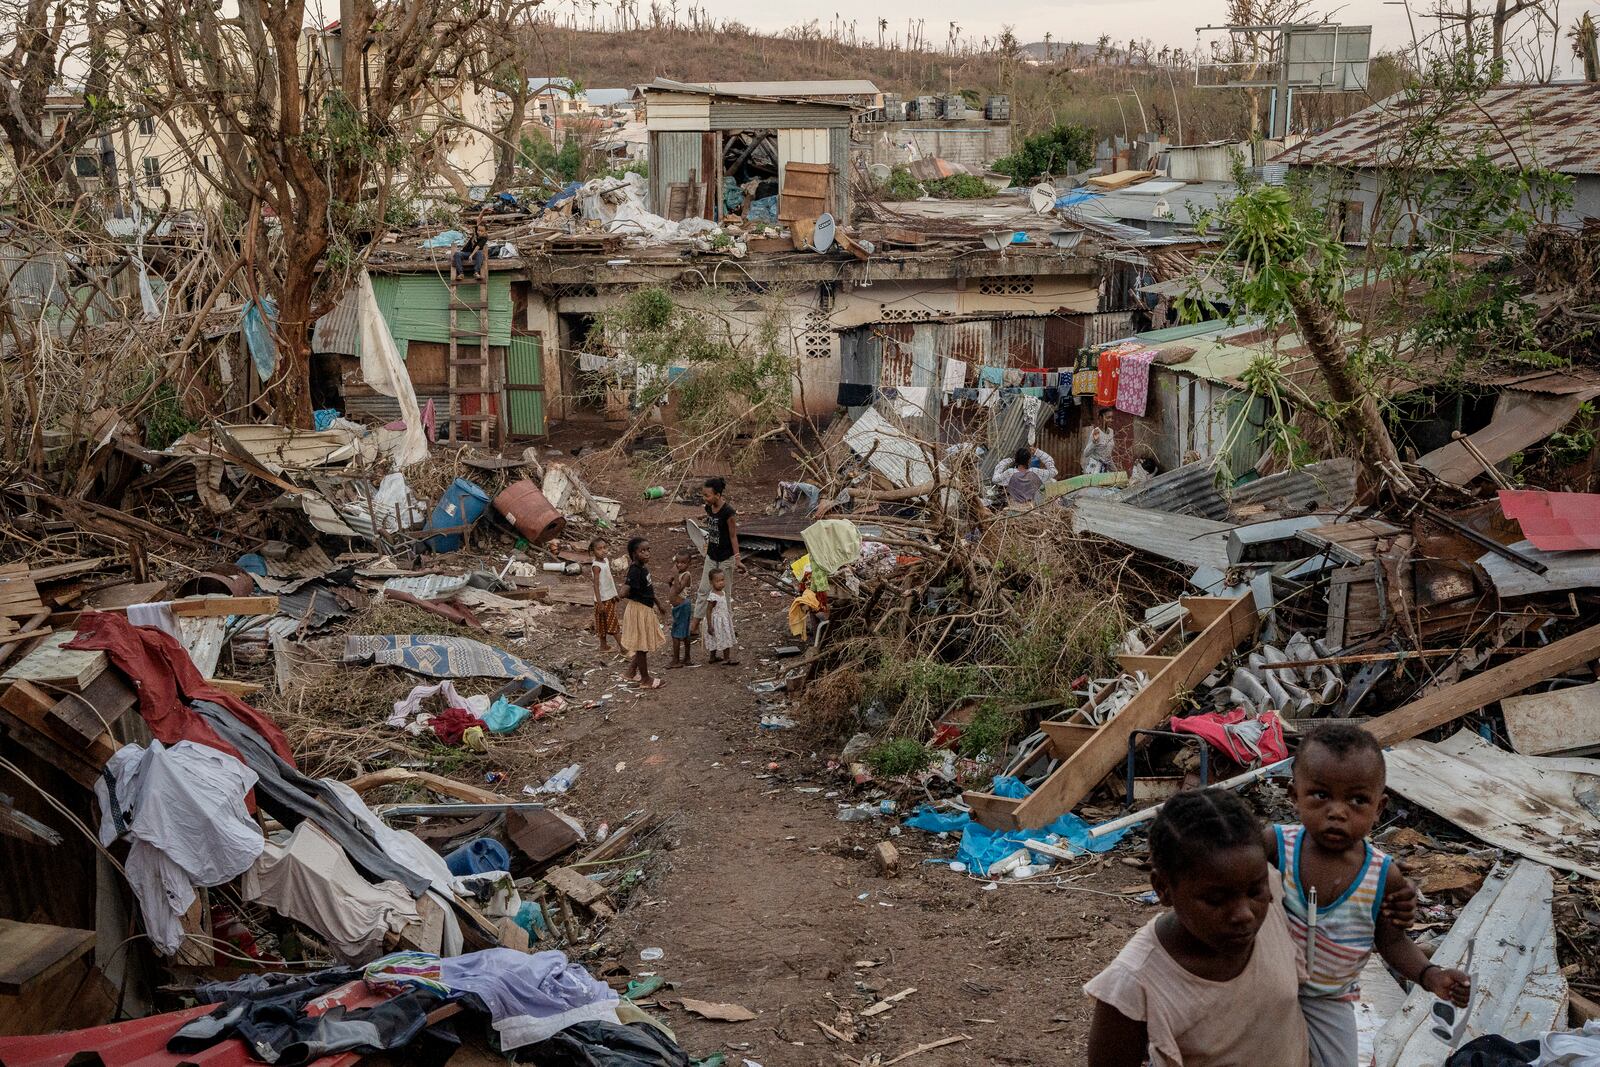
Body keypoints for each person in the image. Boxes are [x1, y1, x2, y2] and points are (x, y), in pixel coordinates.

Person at [1269, 724, 1470, 1067]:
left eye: (1357, 800)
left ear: (1380, 807)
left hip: (1328, 1001)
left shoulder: (1382, 875)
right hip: (1264, 991)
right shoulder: (1275, 847)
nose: (1337, 811)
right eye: (1320, 794)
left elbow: (1391, 942)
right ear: (1294, 794)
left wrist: (1429, 975)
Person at [1085, 788, 1310, 1067]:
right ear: (1163, 889)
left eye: (1254, 892)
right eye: (1216, 899)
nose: (1244, 914)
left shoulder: (1273, 891)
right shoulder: (1135, 982)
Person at [693, 477, 745, 633]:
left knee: (724, 594)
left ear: (718, 495)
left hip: (725, 559)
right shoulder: (708, 508)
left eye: (707, 495)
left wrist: (737, 559)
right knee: (703, 590)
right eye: (704, 495)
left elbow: (733, 536)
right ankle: (694, 625)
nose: (705, 498)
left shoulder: (728, 512)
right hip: (711, 556)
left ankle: (728, 627)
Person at [619, 537, 668, 690]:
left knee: (643, 643)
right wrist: (619, 594)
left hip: (645, 608)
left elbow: (649, 589)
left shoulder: (643, 569)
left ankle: (631, 671)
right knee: (641, 646)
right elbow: (626, 589)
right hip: (638, 609)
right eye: (642, 551)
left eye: (648, 550)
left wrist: (658, 604)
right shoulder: (634, 570)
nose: (647, 553)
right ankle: (645, 679)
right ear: (634, 554)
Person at [991, 444, 1058, 506]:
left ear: (1016, 460)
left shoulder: (1010, 473)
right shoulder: (1035, 472)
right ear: (1029, 460)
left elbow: (994, 479)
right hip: (1032, 508)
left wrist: (1008, 460)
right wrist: (1038, 452)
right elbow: (1053, 471)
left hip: (1016, 509)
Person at [588, 538, 621, 655]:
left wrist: (614, 593)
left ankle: (603, 646)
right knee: (612, 622)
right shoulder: (596, 566)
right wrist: (600, 602)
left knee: (602, 622)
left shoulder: (605, 560)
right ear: (593, 551)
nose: (603, 551)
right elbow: (596, 586)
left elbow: (609, 580)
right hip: (602, 600)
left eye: (605, 547)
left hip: (609, 596)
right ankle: (624, 648)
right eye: (599, 549)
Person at [701, 568, 737, 665]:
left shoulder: (723, 592)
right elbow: (708, 611)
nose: (721, 583)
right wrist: (709, 625)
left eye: (722, 580)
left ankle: (713, 657)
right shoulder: (713, 596)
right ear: (711, 582)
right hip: (716, 621)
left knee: (720, 637)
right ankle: (726, 658)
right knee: (723, 637)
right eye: (717, 581)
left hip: (723, 619)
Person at [667, 549, 696, 668]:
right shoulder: (679, 574)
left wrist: (674, 574)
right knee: (683, 632)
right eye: (677, 562)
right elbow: (674, 588)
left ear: (689, 563)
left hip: (683, 606)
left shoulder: (686, 575)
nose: (679, 565)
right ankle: (686, 658)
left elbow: (678, 590)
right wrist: (671, 581)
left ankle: (676, 660)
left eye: (683, 563)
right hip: (679, 607)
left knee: (676, 634)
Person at [451, 215, 488, 283]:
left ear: (485, 232)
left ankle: (476, 272)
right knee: (457, 254)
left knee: (480, 253)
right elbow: (479, 219)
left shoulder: (484, 238)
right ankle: (461, 273)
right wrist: (483, 210)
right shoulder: (476, 233)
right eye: (478, 230)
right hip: (466, 253)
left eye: (481, 231)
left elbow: (478, 247)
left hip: (474, 254)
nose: (479, 232)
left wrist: (471, 255)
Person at [1083, 408, 1116, 475]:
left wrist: (1115, 471)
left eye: (1111, 418)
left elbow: (1108, 455)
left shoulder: (1111, 432)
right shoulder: (1096, 432)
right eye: (1108, 417)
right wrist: (1094, 441)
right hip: (1094, 469)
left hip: (1106, 468)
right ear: (1101, 418)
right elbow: (1086, 453)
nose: (1110, 420)